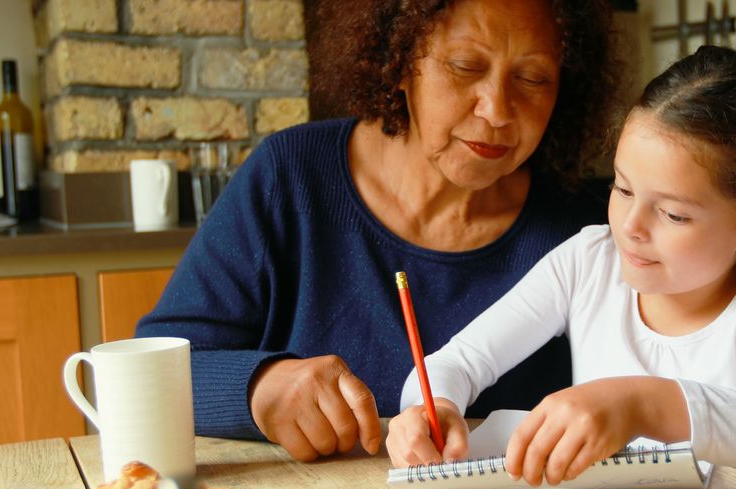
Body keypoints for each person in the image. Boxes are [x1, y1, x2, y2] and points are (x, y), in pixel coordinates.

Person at [135, 0, 617, 462]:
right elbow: (150, 372)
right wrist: (261, 386)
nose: (496, 110)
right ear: (401, 57)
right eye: (466, 66)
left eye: (533, 78)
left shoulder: (591, 229)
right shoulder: (291, 177)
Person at [387, 46, 736, 487]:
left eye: (674, 213)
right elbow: (457, 363)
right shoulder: (588, 262)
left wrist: (644, 405)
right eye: (622, 189)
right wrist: (432, 411)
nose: (630, 226)